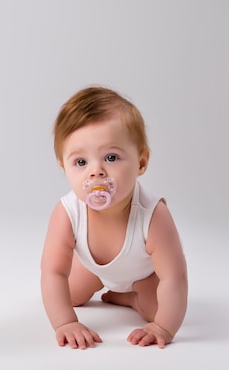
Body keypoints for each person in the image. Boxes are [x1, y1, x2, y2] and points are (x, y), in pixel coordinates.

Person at [40, 86, 188, 349]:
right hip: (91, 269)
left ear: (141, 163)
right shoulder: (67, 212)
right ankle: (108, 287)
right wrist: (65, 323)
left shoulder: (153, 215)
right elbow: (52, 272)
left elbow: (174, 277)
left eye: (111, 157)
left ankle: (131, 297)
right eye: (81, 162)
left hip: (143, 276)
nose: (96, 172)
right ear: (64, 167)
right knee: (69, 295)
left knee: (157, 310)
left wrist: (163, 327)